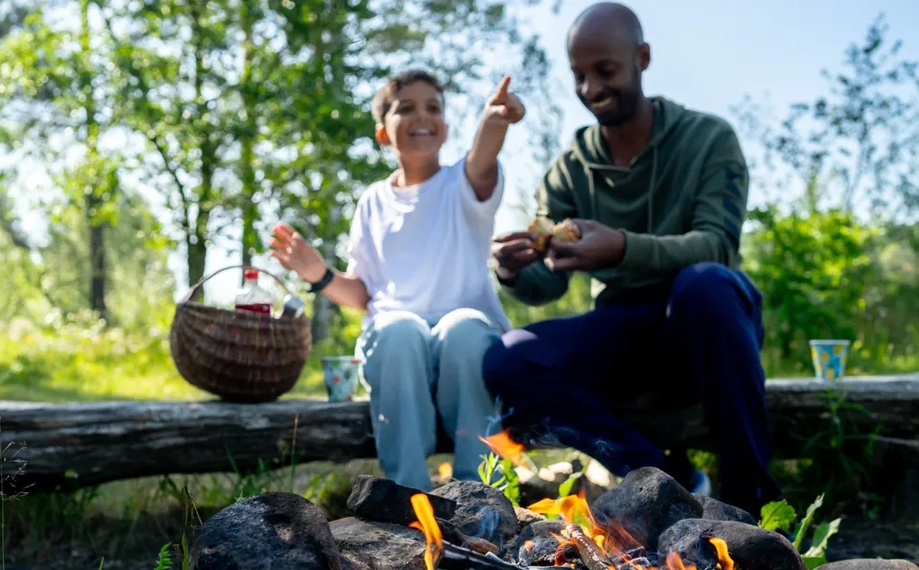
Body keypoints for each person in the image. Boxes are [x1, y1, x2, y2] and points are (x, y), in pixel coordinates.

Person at [481, 2, 780, 517]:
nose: (590, 89)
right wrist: (511, 268)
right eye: (578, 75)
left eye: (605, 71)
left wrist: (620, 245)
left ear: (642, 58)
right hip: (622, 333)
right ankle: (660, 474)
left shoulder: (708, 139)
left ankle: (753, 501)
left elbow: (718, 246)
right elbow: (547, 284)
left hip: (706, 329)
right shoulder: (569, 170)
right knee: (507, 356)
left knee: (705, 284)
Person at [270, 69, 525, 492]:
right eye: (405, 108)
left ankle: (480, 498)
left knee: (464, 327)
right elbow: (363, 292)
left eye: (433, 108)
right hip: (397, 356)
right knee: (397, 329)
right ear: (382, 132)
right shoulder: (372, 201)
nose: (422, 116)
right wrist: (319, 274)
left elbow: (482, 157)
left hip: (463, 356)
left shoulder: (462, 184)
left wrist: (495, 119)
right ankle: (408, 499)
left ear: (445, 127)